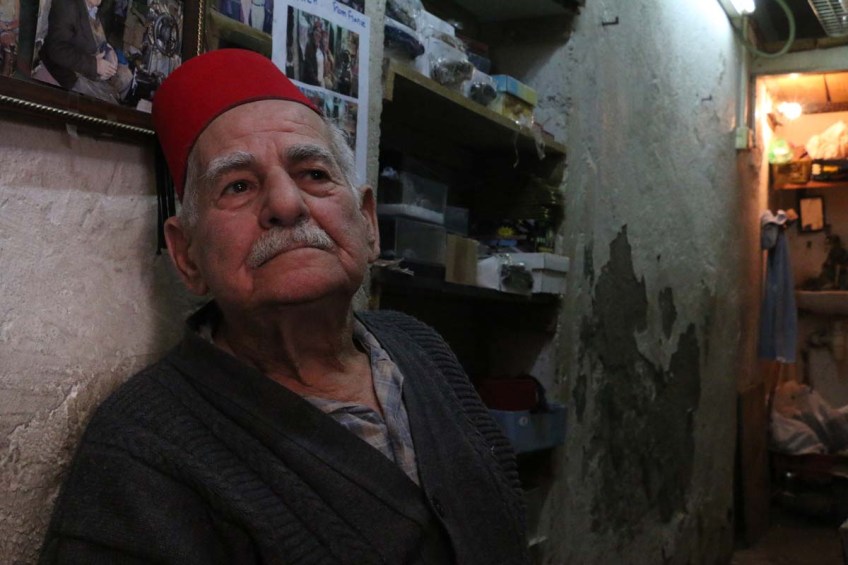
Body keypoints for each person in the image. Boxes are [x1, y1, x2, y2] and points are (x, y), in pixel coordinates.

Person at [39, 49, 529, 564]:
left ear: (368, 224)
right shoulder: (142, 451)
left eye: (315, 173)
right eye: (238, 186)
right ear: (187, 256)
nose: (286, 205)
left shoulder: (420, 345)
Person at [39, 0, 132, 104]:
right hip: (71, 71)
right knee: (107, 105)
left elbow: (100, 35)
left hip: (93, 59)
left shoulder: (97, 6)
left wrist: (109, 50)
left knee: (126, 77)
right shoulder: (67, 5)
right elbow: (57, 49)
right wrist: (94, 65)